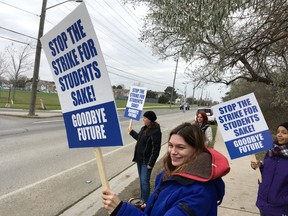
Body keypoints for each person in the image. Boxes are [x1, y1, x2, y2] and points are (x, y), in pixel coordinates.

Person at [102, 122, 230, 216]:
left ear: (196, 150)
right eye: (170, 145)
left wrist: (121, 210)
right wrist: (148, 209)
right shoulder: (169, 172)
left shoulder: (200, 192)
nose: (173, 152)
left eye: (180, 147)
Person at [251, 122, 288, 216]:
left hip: (281, 209)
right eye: (278, 131)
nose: (279, 134)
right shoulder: (272, 151)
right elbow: (267, 173)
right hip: (263, 204)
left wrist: (283, 200)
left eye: (284, 132)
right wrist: (259, 167)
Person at [128, 111, 162, 202]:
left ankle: (146, 203)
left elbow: (156, 149)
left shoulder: (156, 131)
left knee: (145, 182)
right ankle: (142, 199)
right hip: (139, 160)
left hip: (146, 161)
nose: (143, 119)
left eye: (145, 118)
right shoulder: (144, 128)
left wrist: (151, 163)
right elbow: (140, 138)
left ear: (150, 120)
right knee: (142, 182)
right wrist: (131, 132)